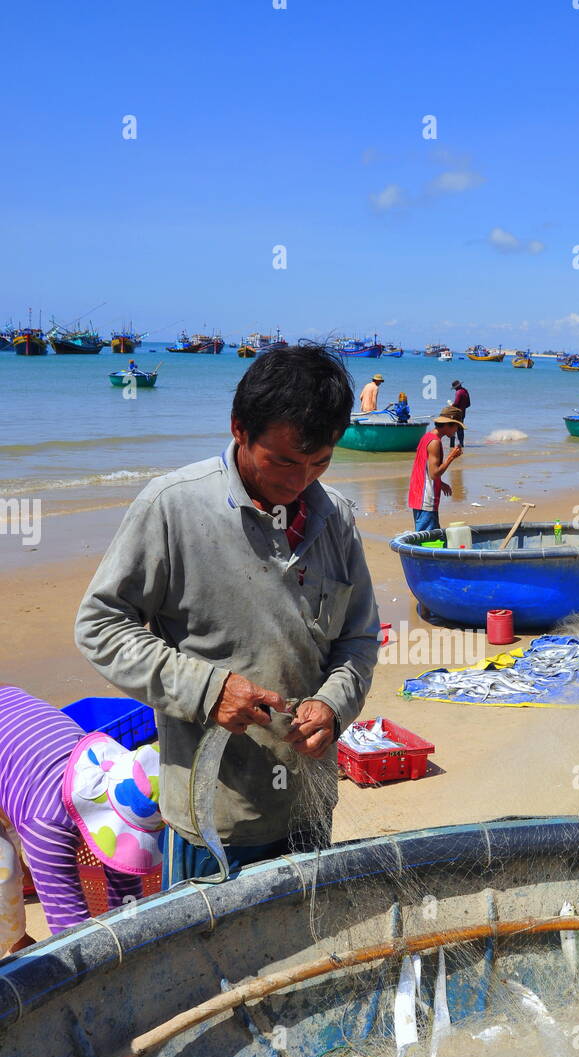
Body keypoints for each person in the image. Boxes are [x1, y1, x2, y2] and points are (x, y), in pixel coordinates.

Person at [75, 343, 380, 888]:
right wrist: (208, 690)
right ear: (239, 428)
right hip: (215, 818)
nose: (300, 480)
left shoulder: (337, 519)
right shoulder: (172, 508)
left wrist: (333, 706)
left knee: (304, 962)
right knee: (214, 968)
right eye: (283, 460)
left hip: (310, 804)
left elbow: (358, 639)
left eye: (320, 462)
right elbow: (101, 627)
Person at [0, 686, 154, 954]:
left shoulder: (117, 769)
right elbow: (70, 931)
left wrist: (131, 930)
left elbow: (127, 894)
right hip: (24, 751)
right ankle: (17, 940)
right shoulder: (46, 825)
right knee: (3, 870)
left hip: (17, 720)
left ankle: (27, 877)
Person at [407, 408, 464, 532]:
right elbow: (434, 473)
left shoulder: (427, 437)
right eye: (456, 427)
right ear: (448, 425)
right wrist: (451, 457)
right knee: (427, 539)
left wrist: (441, 483)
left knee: (430, 534)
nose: (456, 430)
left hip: (418, 493)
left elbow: (425, 469)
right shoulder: (435, 443)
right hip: (425, 497)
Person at [451, 380, 471, 446]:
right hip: (463, 413)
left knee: (453, 428)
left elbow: (456, 403)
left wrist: (451, 406)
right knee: (460, 428)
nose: (455, 389)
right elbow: (468, 404)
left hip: (456, 413)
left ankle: (452, 445)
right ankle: (461, 444)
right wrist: (463, 407)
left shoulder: (458, 392)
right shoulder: (465, 391)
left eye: (455, 388)